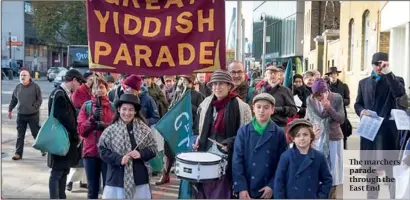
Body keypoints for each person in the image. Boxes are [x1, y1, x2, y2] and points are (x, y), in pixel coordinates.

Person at [193, 70, 252, 199]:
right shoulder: (206, 104)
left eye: (221, 84)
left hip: (226, 158)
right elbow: (201, 129)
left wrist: (230, 143)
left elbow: (246, 135)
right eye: (214, 84)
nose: (217, 87)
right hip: (206, 154)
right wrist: (198, 141)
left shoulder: (242, 106)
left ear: (229, 86)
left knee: (220, 193)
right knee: (203, 191)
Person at [354, 52, 405, 199]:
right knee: (370, 171)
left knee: (390, 171)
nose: (379, 67)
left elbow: (400, 94)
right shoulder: (363, 83)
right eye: (377, 64)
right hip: (369, 133)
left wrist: (388, 73)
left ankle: (393, 197)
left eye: (382, 64)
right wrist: (361, 110)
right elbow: (358, 103)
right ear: (372, 64)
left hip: (388, 133)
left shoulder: (395, 80)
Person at [98, 94, 157, 199]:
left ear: (135, 111)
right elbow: (102, 151)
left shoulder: (144, 129)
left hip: (139, 179)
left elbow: (153, 149)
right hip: (116, 180)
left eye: (131, 110)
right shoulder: (110, 130)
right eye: (124, 109)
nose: (127, 113)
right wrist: (119, 159)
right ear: (118, 109)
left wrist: (141, 153)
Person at [232, 93, 287, 199]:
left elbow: (283, 164)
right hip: (247, 187)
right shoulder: (244, 131)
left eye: (266, 108)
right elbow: (237, 161)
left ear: (272, 110)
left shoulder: (279, 133)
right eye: (258, 107)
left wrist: (272, 186)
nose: (262, 110)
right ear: (253, 109)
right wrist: (241, 187)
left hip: (267, 189)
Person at [156, 75, 204, 185]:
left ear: (191, 84)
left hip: (188, 129)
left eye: (185, 81)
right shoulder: (176, 94)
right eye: (181, 80)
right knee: (168, 152)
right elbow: (171, 109)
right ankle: (165, 174)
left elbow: (200, 112)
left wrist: (186, 105)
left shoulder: (197, 95)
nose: (182, 83)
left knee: (187, 154)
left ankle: (188, 179)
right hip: (175, 128)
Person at [48, 69, 86, 199]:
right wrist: (76, 134)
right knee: (57, 172)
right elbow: (64, 118)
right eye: (80, 82)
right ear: (74, 80)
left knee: (64, 171)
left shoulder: (63, 93)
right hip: (61, 140)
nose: (80, 86)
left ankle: (61, 196)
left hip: (64, 139)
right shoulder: (59, 94)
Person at [305, 78, 345, 199]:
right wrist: (312, 129)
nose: (318, 97)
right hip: (317, 138)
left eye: (321, 94)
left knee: (333, 171)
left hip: (334, 137)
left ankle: (332, 196)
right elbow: (310, 117)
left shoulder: (336, 98)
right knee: (317, 170)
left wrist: (329, 108)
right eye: (316, 95)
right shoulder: (310, 100)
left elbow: (341, 119)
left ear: (326, 91)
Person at [274, 119, 333, 199]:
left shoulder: (319, 157)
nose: (302, 138)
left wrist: (320, 197)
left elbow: (327, 180)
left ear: (311, 137)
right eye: (298, 135)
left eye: (305, 134)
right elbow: (279, 182)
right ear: (293, 139)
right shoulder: (286, 156)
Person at [77, 78, 114, 199]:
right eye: (95, 87)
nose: (99, 90)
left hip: (108, 153)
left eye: (101, 87)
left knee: (109, 188)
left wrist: (104, 125)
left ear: (106, 89)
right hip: (90, 153)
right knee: (92, 190)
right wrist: (92, 119)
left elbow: (117, 129)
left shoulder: (113, 107)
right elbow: (81, 130)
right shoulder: (86, 107)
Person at [8, 70, 43, 160]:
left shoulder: (35, 87)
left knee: (36, 133)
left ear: (29, 77)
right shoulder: (18, 87)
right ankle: (18, 154)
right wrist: (10, 110)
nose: (22, 77)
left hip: (33, 115)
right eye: (21, 75)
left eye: (24, 75)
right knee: (20, 135)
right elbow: (14, 100)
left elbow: (39, 100)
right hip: (21, 115)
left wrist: (34, 107)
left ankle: (43, 148)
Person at [326, 67, 351, 149]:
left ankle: (343, 149)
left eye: (334, 74)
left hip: (340, 113)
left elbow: (348, 101)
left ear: (337, 75)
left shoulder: (344, 86)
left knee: (342, 133)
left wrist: (339, 100)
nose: (332, 76)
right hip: (329, 113)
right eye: (330, 75)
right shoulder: (326, 86)